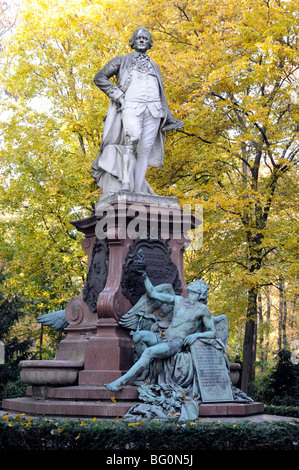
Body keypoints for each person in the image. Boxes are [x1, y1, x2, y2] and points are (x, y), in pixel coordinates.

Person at [92, 27, 184, 195]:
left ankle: (139, 188)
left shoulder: (155, 67)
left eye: (145, 38)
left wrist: (169, 116)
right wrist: (118, 95)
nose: (142, 40)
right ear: (132, 42)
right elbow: (99, 77)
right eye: (138, 38)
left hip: (154, 110)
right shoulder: (122, 60)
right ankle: (126, 182)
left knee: (145, 150)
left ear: (150, 43)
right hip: (131, 106)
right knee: (131, 140)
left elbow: (161, 94)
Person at [104, 274, 216, 391]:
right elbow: (153, 294)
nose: (194, 283)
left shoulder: (202, 309)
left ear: (201, 292)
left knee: (149, 351)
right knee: (137, 336)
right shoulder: (178, 300)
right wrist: (145, 276)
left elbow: (212, 333)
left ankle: (122, 382)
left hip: (177, 343)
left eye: (198, 284)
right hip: (163, 335)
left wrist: (197, 334)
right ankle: (146, 367)